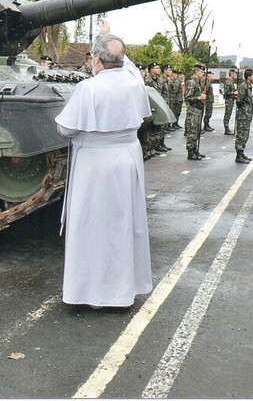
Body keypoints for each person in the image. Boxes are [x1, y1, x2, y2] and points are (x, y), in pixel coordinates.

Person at [54, 33, 153, 308]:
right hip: (127, 159)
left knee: (93, 226)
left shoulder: (88, 88)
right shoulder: (134, 80)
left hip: (95, 165)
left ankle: (92, 293)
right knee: (123, 224)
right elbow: (129, 67)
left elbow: (66, 128)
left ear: (96, 59)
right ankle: (123, 291)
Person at [185, 63, 208, 160]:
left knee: (197, 131)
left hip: (198, 110)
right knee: (192, 132)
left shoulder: (198, 82)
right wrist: (199, 97)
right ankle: (191, 152)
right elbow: (188, 97)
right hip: (193, 110)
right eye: (202, 72)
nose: (203, 74)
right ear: (196, 72)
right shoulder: (192, 82)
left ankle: (195, 150)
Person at [234, 68, 253, 163]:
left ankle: (242, 152)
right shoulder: (243, 86)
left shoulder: (249, 86)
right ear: (249, 77)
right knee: (241, 135)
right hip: (243, 115)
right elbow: (239, 101)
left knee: (245, 135)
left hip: (247, 115)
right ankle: (238, 155)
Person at [221, 68, 238, 135]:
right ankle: (226, 128)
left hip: (232, 99)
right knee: (227, 114)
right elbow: (227, 92)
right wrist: (234, 93)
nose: (235, 75)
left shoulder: (232, 82)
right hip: (229, 100)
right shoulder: (228, 82)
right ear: (231, 74)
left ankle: (227, 128)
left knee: (229, 114)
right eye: (234, 73)